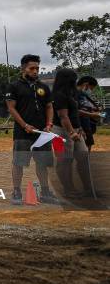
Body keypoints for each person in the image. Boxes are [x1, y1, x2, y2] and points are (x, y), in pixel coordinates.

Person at [6, 54, 58, 205]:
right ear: (23, 68)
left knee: (42, 163)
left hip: (42, 133)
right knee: (18, 162)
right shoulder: (14, 86)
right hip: (22, 133)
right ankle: (16, 192)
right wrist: (25, 125)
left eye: (37, 68)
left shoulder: (43, 87)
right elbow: (11, 108)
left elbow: (49, 106)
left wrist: (49, 124)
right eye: (32, 68)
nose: (35, 71)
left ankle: (45, 192)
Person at [52, 69, 94, 198]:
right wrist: (71, 132)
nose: (75, 82)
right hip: (59, 132)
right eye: (73, 79)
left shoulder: (72, 93)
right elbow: (63, 116)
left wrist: (79, 127)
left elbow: (74, 113)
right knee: (63, 161)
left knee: (83, 156)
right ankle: (68, 189)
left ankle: (88, 188)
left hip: (75, 130)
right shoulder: (59, 95)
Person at [76, 76, 102, 152]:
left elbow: (87, 107)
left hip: (87, 124)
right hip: (78, 125)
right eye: (91, 88)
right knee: (80, 148)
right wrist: (92, 115)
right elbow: (75, 111)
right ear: (86, 84)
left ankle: (84, 163)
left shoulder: (84, 95)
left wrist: (95, 109)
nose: (91, 90)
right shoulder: (74, 94)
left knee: (88, 144)